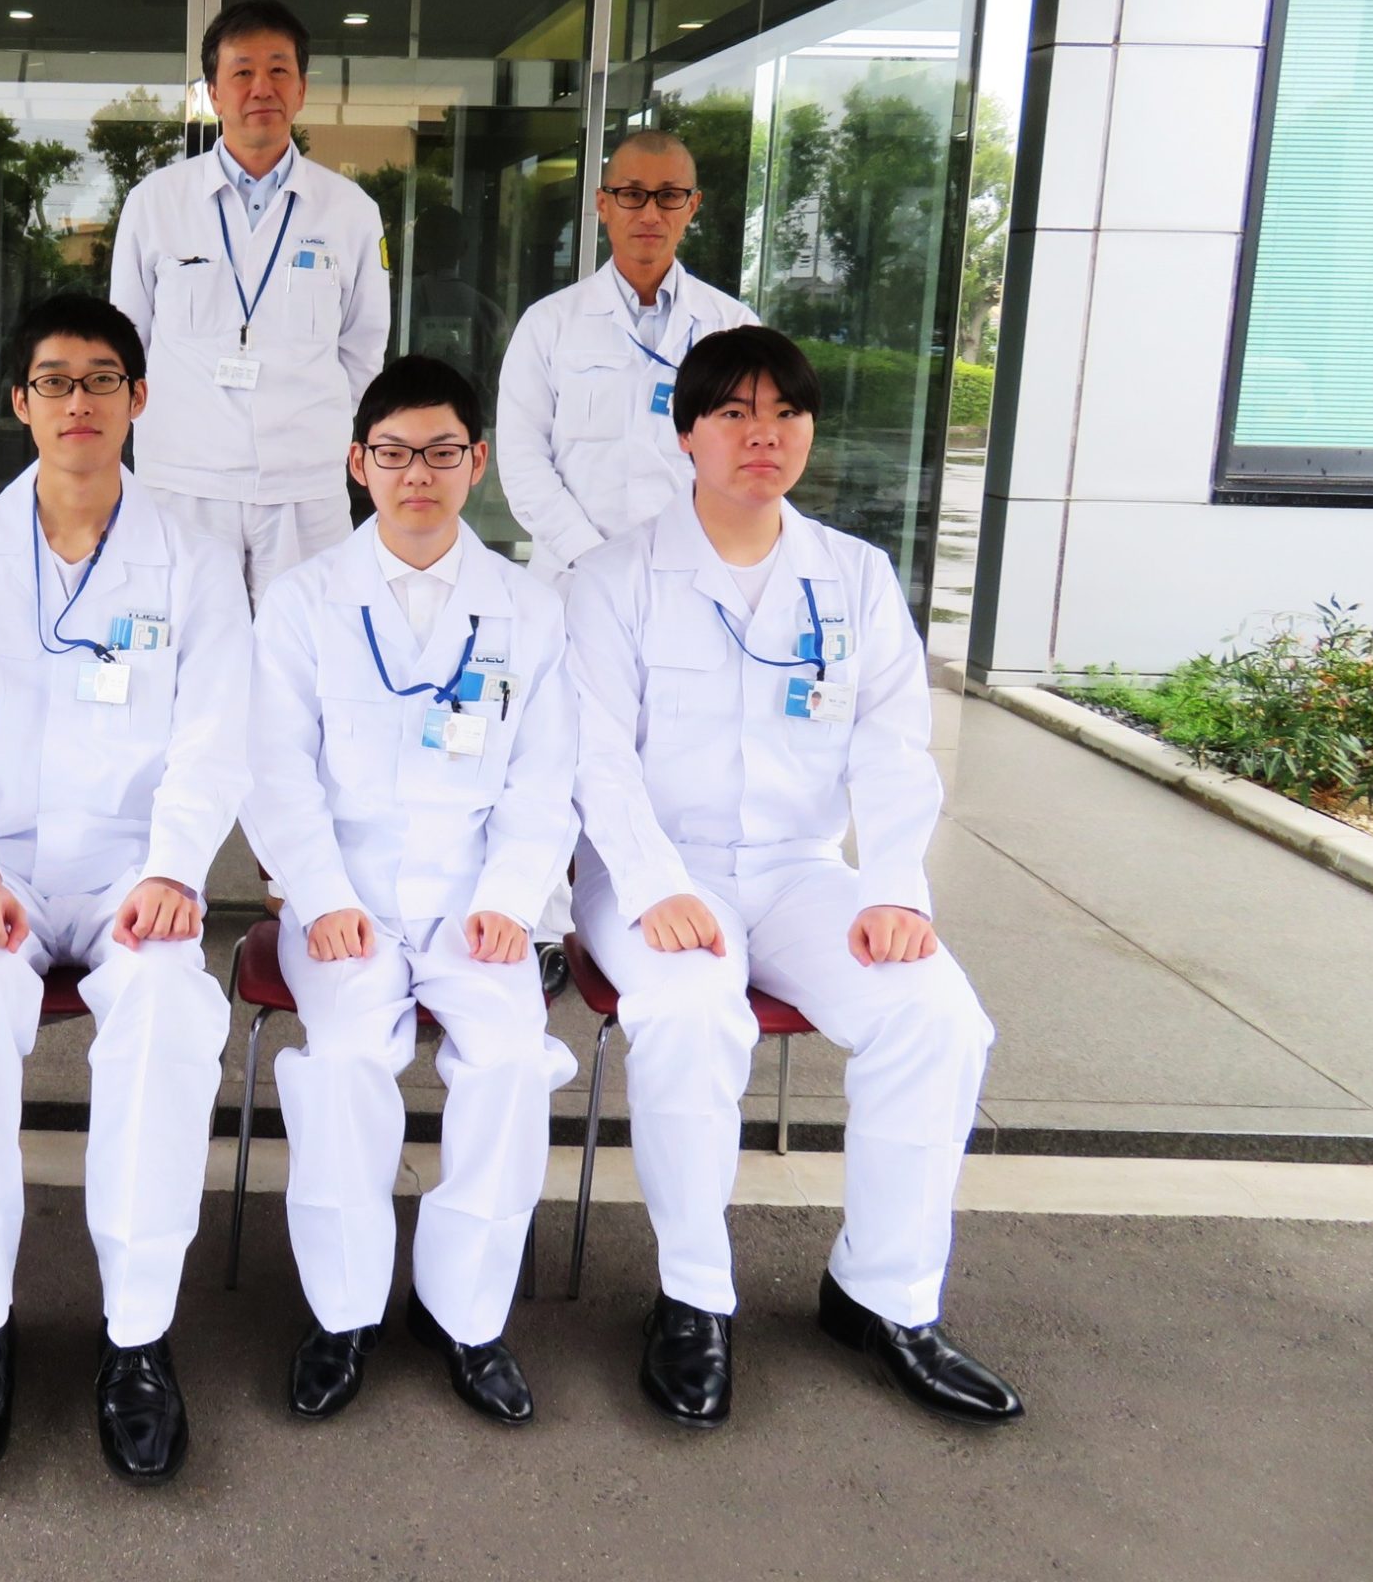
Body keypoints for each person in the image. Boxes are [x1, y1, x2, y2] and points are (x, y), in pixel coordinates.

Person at [565, 324, 1023, 1431]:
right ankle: (692, 1297)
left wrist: (895, 889)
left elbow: (892, 746)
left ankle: (883, 1296)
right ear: (686, 433)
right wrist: (653, 885)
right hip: (654, 869)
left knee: (936, 1018)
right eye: (733, 413)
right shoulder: (614, 577)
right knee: (689, 1009)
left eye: (785, 414)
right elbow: (592, 753)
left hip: (800, 870)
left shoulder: (853, 576)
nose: (761, 435)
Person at [0, 293, 250, 1483]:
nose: (78, 401)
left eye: (101, 380)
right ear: (19, 403)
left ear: (138, 398)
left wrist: (174, 867)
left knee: (166, 1013)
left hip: (133, 867)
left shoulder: (195, 564)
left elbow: (215, 736)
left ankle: (136, 1336)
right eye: (54, 381)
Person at [243, 355, 579, 1428]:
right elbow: (274, 771)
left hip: (476, 902)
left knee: (512, 1063)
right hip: (342, 899)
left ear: (477, 462)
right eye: (393, 453)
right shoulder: (301, 602)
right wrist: (318, 893)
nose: (417, 475)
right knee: (345, 1060)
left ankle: (464, 1314)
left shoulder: (530, 609)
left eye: (440, 452)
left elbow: (546, 779)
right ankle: (343, 1312)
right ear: (358, 464)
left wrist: (513, 900)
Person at [110, 0, 390, 606]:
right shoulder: (156, 202)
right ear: (213, 92)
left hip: (303, 486)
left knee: (304, 646)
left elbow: (363, 348)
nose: (262, 87)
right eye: (242, 71)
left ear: (302, 88)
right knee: (180, 641)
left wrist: (316, 427)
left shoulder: (350, 212)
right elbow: (127, 344)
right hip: (182, 478)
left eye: (278, 70)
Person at [496, 130, 757, 584]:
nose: (650, 214)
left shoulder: (734, 327)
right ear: (603, 204)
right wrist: (593, 558)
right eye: (633, 195)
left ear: (692, 206)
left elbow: (753, 455)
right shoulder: (548, 324)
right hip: (573, 578)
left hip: (692, 576)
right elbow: (523, 462)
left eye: (669, 196)